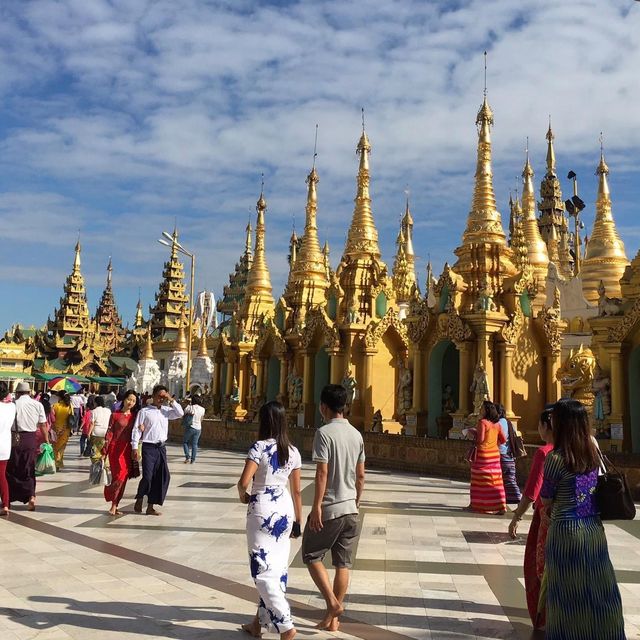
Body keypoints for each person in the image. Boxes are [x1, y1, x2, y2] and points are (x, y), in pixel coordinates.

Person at [540, 399, 626, 639]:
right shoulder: (592, 455)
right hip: (593, 528)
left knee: (567, 592)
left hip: (566, 530)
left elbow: (546, 499)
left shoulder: (555, 459)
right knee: (599, 586)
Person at [302, 384, 365, 633]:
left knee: (311, 554)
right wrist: (357, 501)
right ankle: (333, 620)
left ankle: (332, 603)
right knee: (342, 563)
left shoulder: (324, 433)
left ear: (324, 407)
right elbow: (361, 475)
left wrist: (316, 506)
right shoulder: (357, 434)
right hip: (351, 507)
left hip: (331, 507)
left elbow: (322, 472)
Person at [238, 401, 302, 640]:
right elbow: (297, 491)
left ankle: (286, 625)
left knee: (261, 570)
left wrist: (242, 495)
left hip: (262, 507)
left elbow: (244, 482)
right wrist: (298, 521)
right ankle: (258, 623)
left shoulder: (259, 447)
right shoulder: (293, 451)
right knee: (276, 567)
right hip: (285, 507)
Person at [508, 409, 554, 629]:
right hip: (579, 523)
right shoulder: (579, 450)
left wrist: (517, 517)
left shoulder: (545, 453)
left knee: (537, 567)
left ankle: (542, 615)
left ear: (547, 426)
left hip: (546, 518)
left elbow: (532, 490)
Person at [131, 384, 183, 516]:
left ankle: (151, 506)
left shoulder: (166, 411)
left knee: (162, 476)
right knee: (148, 476)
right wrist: (134, 446)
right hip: (148, 447)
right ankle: (140, 496)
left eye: (163, 397)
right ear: (153, 396)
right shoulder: (144, 411)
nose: (161, 399)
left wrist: (171, 399)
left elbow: (180, 413)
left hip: (161, 447)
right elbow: (136, 429)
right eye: (159, 396)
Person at [7, 381, 48, 510]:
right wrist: (47, 440)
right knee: (29, 467)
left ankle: (9, 499)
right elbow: (42, 425)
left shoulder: (12, 405)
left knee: (12, 468)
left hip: (14, 438)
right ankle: (31, 496)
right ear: (29, 392)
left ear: (17, 393)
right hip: (30, 438)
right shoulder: (37, 405)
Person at [468, 400, 506, 515]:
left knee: (479, 481)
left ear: (487, 410)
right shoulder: (497, 424)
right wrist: (494, 443)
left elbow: (480, 440)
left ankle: (478, 504)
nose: (480, 410)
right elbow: (503, 439)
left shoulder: (482, 422)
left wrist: (473, 432)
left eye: (482, 408)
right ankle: (500, 505)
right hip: (494, 455)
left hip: (483, 455)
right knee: (496, 481)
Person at [104, 390, 139, 516]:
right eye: (129, 399)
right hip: (115, 450)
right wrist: (105, 449)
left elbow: (137, 434)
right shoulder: (114, 415)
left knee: (123, 478)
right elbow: (110, 433)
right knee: (117, 477)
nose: (131, 402)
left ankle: (115, 504)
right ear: (124, 399)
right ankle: (111, 497)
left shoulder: (135, 417)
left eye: (134, 401)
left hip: (127, 451)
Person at [496, 403, 522, 505]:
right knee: (510, 479)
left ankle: (518, 500)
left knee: (507, 480)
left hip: (502, 454)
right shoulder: (508, 422)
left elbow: (500, 438)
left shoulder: (499, 423)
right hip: (510, 455)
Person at [0, 382, 17, 516]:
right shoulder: (12, 407)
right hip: (5, 446)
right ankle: (5, 504)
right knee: (2, 476)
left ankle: (5, 503)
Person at [51, 392, 73, 470]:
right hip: (66, 429)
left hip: (56, 429)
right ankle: (59, 463)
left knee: (55, 447)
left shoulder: (55, 406)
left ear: (60, 397)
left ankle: (55, 463)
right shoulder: (70, 406)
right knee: (61, 447)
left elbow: (52, 419)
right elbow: (71, 417)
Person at [88, 395, 111, 464]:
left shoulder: (93, 411)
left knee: (96, 450)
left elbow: (92, 423)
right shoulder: (108, 410)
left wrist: (88, 433)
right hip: (106, 433)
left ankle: (97, 464)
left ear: (96, 403)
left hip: (96, 433)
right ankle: (105, 464)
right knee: (105, 449)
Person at [183, 395, 205, 464]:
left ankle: (187, 457)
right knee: (194, 444)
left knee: (185, 442)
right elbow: (201, 419)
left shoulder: (189, 407)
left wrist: (189, 404)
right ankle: (193, 459)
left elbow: (183, 413)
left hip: (190, 427)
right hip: (198, 428)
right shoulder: (202, 409)